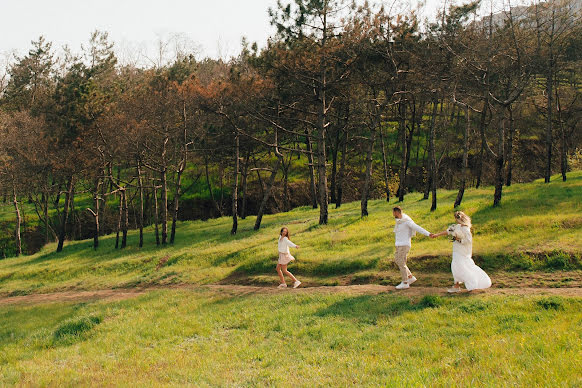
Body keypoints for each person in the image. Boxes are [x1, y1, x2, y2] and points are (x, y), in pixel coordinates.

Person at [431, 211, 491, 293]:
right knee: (456, 266)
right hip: (456, 250)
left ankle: (470, 283)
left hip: (462, 251)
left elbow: (468, 240)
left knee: (461, 266)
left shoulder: (466, 228)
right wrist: (437, 235)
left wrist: (458, 240)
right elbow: (448, 231)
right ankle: (456, 285)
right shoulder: (456, 226)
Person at [392, 206, 432, 290]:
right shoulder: (399, 221)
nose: (392, 214)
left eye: (393, 212)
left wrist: (428, 234)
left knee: (401, 262)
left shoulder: (407, 221)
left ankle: (405, 282)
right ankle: (410, 277)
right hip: (399, 244)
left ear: (397, 212)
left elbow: (417, 227)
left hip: (404, 244)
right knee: (398, 260)